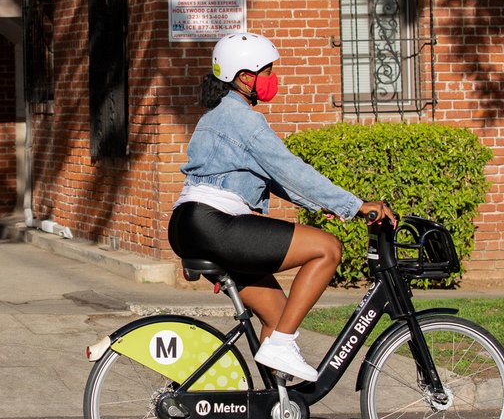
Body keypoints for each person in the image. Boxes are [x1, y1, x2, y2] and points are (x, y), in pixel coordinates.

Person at [168, 31, 396, 387]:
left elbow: (272, 179)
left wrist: (322, 205)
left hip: (190, 223)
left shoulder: (214, 116)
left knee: (276, 319)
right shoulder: (244, 120)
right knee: (327, 249)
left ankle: (278, 413)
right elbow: (290, 169)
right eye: (268, 72)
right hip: (216, 223)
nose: (273, 79)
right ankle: (283, 344)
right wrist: (354, 205)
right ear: (246, 77)